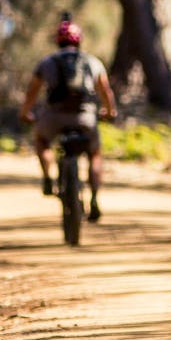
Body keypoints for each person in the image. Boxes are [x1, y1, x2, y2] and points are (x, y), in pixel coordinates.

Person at [20, 16, 118, 222]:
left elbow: (32, 92)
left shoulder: (47, 62)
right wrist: (109, 112)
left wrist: (26, 113)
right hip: (85, 117)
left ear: (58, 40)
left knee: (42, 140)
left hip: (53, 117)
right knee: (95, 154)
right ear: (79, 40)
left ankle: (48, 177)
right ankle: (94, 199)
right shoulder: (93, 62)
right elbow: (106, 92)